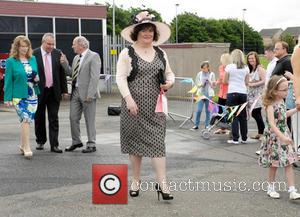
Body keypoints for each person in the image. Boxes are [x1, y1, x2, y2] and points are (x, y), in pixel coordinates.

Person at [116, 11, 175, 200]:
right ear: (136, 33)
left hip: (156, 108)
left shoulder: (161, 52)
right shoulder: (127, 53)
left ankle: (163, 184)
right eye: (144, 30)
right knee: (135, 146)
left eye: (151, 30)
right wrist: (129, 99)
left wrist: (169, 83)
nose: (148, 34)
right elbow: (120, 78)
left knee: (158, 143)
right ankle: (136, 180)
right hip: (133, 107)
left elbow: (170, 74)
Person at [259, 75, 300, 200]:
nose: (287, 92)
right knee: (274, 164)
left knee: (289, 162)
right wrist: (282, 137)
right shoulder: (270, 105)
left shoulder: (281, 102)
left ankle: (292, 190)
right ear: (275, 91)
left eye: (288, 89)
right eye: (284, 90)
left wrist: (295, 110)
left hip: (283, 135)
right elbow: (272, 124)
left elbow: (283, 115)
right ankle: (270, 187)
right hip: (274, 138)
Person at [60, 36, 101, 153]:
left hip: (88, 93)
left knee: (89, 119)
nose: (72, 46)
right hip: (75, 92)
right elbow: (71, 74)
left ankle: (91, 144)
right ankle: (76, 141)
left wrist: (91, 94)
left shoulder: (94, 56)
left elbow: (95, 77)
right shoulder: (76, 58)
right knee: (73, 118)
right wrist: (64, 63)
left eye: (74, 44)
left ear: (81, 45)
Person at [4, 35, 40, 159]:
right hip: (18, 96)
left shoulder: (33, 59)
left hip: (32, 94)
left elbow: (36, 76)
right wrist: (7, 98)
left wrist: (36, 79)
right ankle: (27, 147)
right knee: (25, 119)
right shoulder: (11, 61)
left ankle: (22, 145)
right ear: (17, 47)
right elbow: (8, 81)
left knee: (27, 121)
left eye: (26, 46)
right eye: (22, 46)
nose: (24, 48)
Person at [34, 33, 68, 153]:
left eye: (53, 44)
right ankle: (40, 141)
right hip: (39, 91)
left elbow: (61, 73)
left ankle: (54, 145)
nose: (51, 46)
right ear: (43, 42)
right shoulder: (34, 54)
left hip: (54, 91)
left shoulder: (57, 53)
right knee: (39, 117)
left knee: (54, 118)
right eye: (49, 44)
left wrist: (64, 90)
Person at [224, 49, 249, 144]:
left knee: (234, 116)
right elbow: (247, 82)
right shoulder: (246, 67)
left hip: (232, 92)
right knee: (243, 116)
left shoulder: (229, 67)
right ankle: (244, 138)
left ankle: (235, 139)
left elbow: (225, 81)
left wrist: (232, 82)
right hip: (243, 93)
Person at [191, 61, 216, 130]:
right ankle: (196, 124)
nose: (204, 70)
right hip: (200, 94)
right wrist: (202, 84)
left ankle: (207, 125)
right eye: (202, 68)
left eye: (205, 68)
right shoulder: (199, 74)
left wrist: (209, 81)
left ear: (208, 68)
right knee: (199, 110)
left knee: (208, 111)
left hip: (209, 95)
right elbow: (197, 84)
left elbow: (214, 86)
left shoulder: (212, 74)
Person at [246, 51, 266, 140]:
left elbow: (265, 80)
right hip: (251, 95)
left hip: (258, 95)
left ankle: (262, 133)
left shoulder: (259, 68)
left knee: (256, 113)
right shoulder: (250, 69)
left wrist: (253, 84)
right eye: (249, 58)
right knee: (256, 114)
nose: (251, 60)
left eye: (252, 58)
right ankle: (260, 132)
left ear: (256, 59)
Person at [214, 53, 231, 134]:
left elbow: (229, 80)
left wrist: (224, 81)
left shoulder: (230, 68)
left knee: (228, 111)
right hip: (221, 92)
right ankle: (223, 128)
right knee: (219, 110)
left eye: (222, 60)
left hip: (228, 92)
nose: (221, 62)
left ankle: (229, 128)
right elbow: (220, 78)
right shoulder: (221, 67)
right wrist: (216, 82)